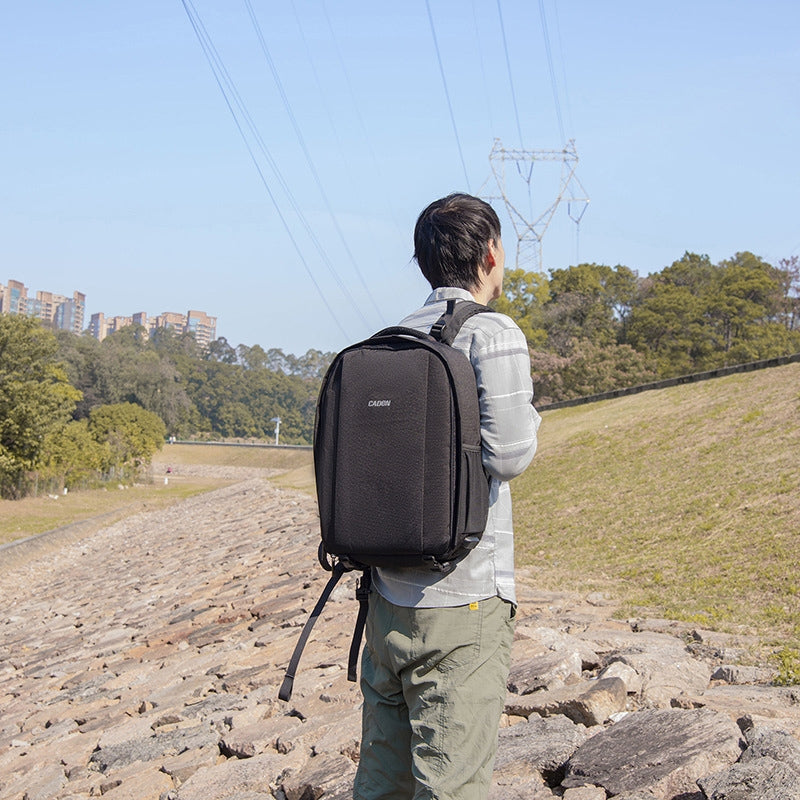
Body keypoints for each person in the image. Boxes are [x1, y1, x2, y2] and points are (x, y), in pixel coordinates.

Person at [353, 193, 542, 800]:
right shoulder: (493, 333)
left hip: (384, 598)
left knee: (383, 780)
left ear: (423, 261)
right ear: (491, 255)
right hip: (462, 599)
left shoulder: (393, 337)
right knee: (452, 783)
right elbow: (509, 455)